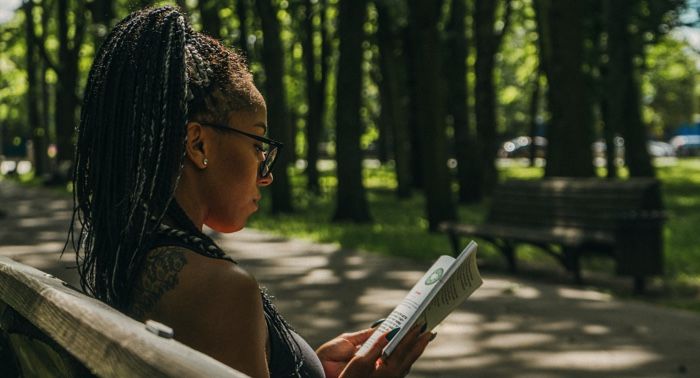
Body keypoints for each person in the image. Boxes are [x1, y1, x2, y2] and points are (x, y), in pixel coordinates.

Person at [68, 6, 433, 377]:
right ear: (198, 146)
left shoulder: (129, 261)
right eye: (258, 145)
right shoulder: (220, 290)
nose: (266, 175)